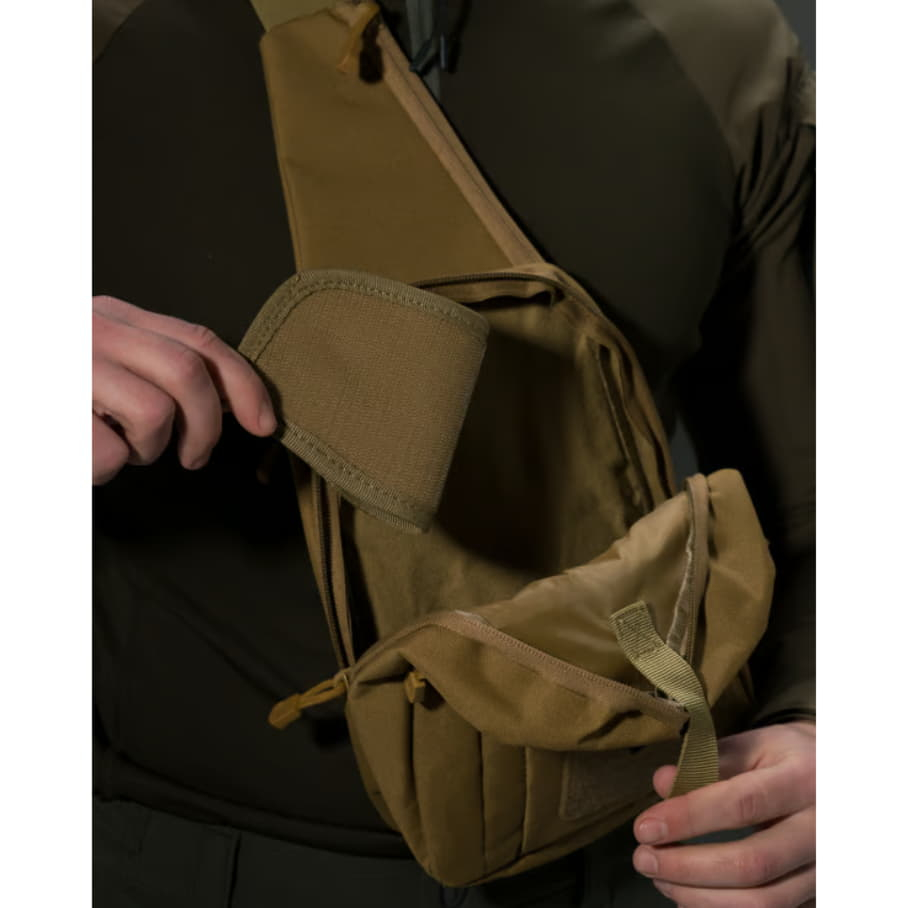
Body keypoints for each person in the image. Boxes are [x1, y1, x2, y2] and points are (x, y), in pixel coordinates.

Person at [93, 0, 816, 905]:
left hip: (641, 845)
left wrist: (826, 724)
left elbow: (816, 502)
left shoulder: (721, 48)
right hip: (174, 855)